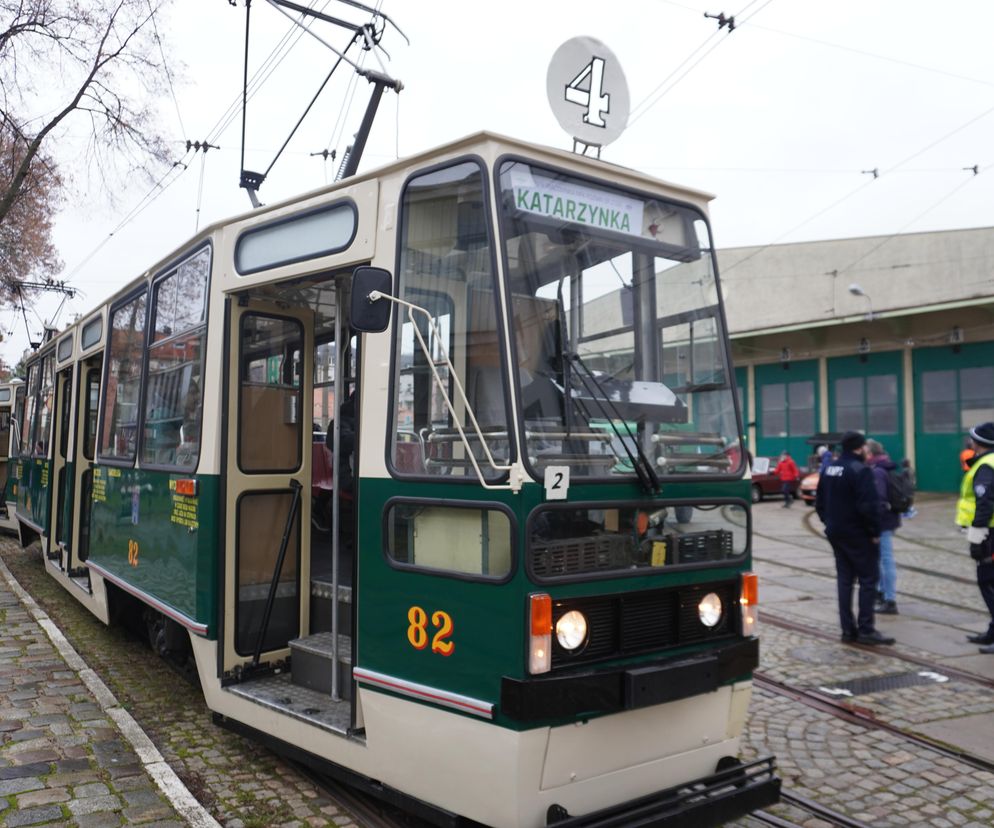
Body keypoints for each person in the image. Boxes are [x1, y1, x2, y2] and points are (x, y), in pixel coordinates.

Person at [815, 431, 894, 645]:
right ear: (859, 449)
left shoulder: (830, 468)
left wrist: (829, 522)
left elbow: (819, 501)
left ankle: (847, 630)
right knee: (869, 580)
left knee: (845, 580)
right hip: (858, 534)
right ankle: (866, 629)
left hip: (836, 532)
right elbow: (869, 507)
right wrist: (874, 532)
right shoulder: (861, 470)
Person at [955, 423, 994, 651]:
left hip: (988, 532)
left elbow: (985, 502)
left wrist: (977, 536)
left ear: (978, 443)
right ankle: (992, 632)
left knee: (987, 581)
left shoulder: (986, 466)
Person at [866, 439, 900, 615]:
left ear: (870, 454)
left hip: (882, 522)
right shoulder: (882, 468)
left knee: (885, 559)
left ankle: (890, 599)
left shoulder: (877, 472)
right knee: (879, 558)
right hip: (886, 520)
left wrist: (873, 526)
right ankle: (881, 592)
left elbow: (878, 501)